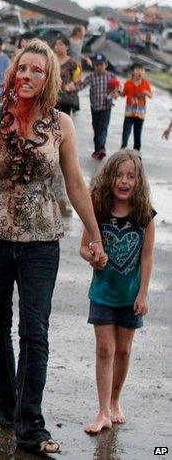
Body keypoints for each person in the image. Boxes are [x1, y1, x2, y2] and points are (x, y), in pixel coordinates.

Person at [0, 39, 106, 455]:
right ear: (12, 73)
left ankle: (30, 425)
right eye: (23, 68)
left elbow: (74, 183)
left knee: (34, 333)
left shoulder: (61, 124)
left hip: (41, 241)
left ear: (49, 77)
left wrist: (94, 234)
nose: (28, 76)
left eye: (38, 70)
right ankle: (2, 407)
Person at [82, 149, 155, 434]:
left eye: (131, 176)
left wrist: (143, 294)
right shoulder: (98, 208)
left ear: (139, 181)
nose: (124, 181)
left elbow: (147, 257)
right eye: (119, 175)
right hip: (102, 292)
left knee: (123, 351)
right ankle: (102, 412)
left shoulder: (144, 213)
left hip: (130, 296)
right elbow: (83, 247)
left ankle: (115, 401)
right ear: (109, 176)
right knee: (104, 349)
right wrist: (93, 255)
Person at [78, 54, 119, 159]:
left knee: (103, 128)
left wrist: (116, 92)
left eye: (101, 64)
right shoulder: (91, 77)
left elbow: (117, 89)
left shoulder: (111, 76)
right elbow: (81, 86)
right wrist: (72, 88)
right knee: (96, 129)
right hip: (95, 108)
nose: (99, 67)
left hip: (106, 107)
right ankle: (97, 150)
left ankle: (102, 148)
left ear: (106, 65)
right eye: (96, 65)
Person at [120, 63, 153, 151]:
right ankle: (123, 147)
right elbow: (123, 94)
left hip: (140, 113)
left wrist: (146, 92)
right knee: (126, 130)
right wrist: (117, 91)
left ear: (144, 72)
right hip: (129, 112)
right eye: (138, 70)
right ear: (133, 72)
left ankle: (137, 150)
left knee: (137, 133)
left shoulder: (146, 83)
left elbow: (151, 95)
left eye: (142, 70)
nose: (140, 72)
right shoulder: (128, 83)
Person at [53, 35, 81, 115]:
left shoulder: (71, 63)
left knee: (63, 121)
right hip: (51, 96)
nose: (58, 47)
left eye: (60, 44)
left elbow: (78, 76)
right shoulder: (51, 60)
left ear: (67, 47)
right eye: (56, 44)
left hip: (65, 98)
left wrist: (73, 83)